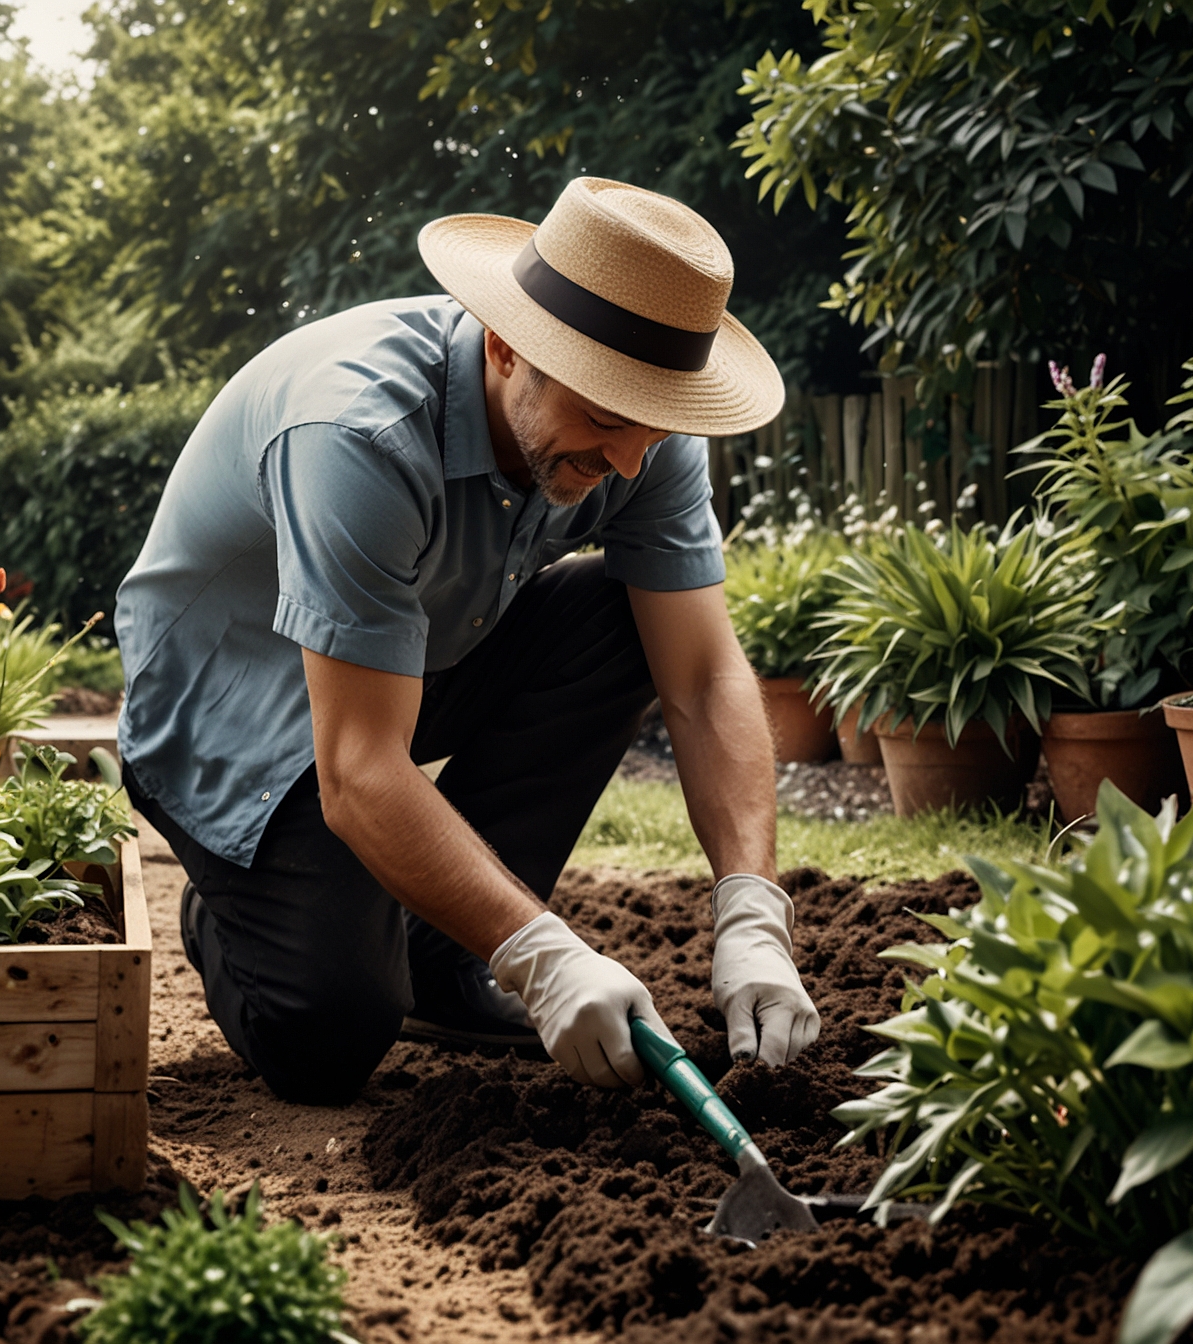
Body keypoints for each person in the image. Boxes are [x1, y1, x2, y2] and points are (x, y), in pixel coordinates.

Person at [115, 177, 820, 1105]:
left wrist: (753, 910)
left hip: (406, 660)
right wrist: (545, 953)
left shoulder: (639, 428)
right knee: (330, 1038)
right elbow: (361, 765)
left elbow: (701, 674)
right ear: (504, 345)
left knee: (625, 624)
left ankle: (446, 959)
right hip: (236, 713)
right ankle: (232, 913)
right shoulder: (357, 429)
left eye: (654, 425)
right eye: (607, 418)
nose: (627, 461)